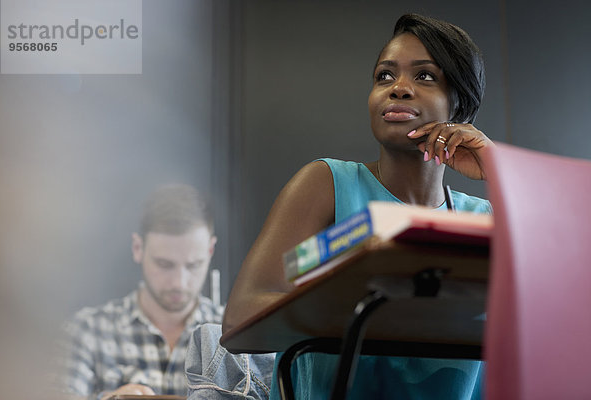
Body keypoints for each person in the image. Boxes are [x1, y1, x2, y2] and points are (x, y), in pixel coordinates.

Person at [223, 13, 493, 400]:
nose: (398, 88)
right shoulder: (326, 184)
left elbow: (556, 314)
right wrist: (375, 310)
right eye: (385, 76)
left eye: (424, 76)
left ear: (460, 106)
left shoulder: (482, 219)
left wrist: (497, 170)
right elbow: (240, 317)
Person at [57, 184, 223, 400]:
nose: (179, 282)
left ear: (210, 251)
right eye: (164, 264)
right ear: (138, 248)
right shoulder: (87, 330)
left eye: (194, 265)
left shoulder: (235, 335)